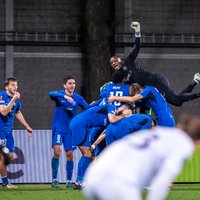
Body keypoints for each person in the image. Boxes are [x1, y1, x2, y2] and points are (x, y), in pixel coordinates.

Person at [83, 114, 200, 200]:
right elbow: (163, 181)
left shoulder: (157, 132)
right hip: (118, 182)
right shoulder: (183, 143)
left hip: (93, 176)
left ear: (178, 127)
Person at [110, 21, 200, 106]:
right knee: (178, 102)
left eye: (115, 60)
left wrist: (137, 31)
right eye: (111, 63)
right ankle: (195, 81)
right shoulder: (123, 79)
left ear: (120, 60)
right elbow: (116, 85)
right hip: (153, 87)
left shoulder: (128, 62)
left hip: (156, 81)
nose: (113, 63)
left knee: (176, 99)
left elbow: (137, 46)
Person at [70, 102, 134, 189]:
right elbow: (112, 119)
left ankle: (79, 181)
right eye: (128, 114)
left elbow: (104, 133)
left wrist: (94, 145)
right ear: (123, 108)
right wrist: (123, 116)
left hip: (81, 126)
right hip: (79, 125)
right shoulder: (112, 108)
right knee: (87, 154)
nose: (127, 117)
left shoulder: (114, 118)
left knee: (88, 154)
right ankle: (80, 182)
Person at [49, 75, 89, 188]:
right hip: (58, 128)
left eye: (74, 83)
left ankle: (69, 181)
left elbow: (88, 108)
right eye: (70, 83)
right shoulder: (59, 95)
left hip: (70, 130)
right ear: (65, 85)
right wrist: (65, 97)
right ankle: (55, 179)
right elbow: (50, 94)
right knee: (57, 152)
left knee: (70, 155)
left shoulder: (78, 98)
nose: (72, 85)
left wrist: (99, 103)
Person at [0, 77, 33, 188]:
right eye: (13, 85)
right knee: (3, 157)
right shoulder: (2, 96)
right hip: (0, 131)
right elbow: (4, 112)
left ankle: (4, 182)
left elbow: (17, 112)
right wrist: (13, 100)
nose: (15, 87)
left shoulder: (16, 98)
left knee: (10, 156)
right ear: (6, 86)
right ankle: (5, 183)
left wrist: (27, 126)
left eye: (16, 85)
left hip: (9, 132)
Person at [108, 83, 175, 127]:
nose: (138, 99)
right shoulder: (151, 90)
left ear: (140, 89)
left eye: (138, 96)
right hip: (167, 118)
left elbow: (132, 99)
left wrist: (114, 97)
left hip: (164, 120)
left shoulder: (147, 90)